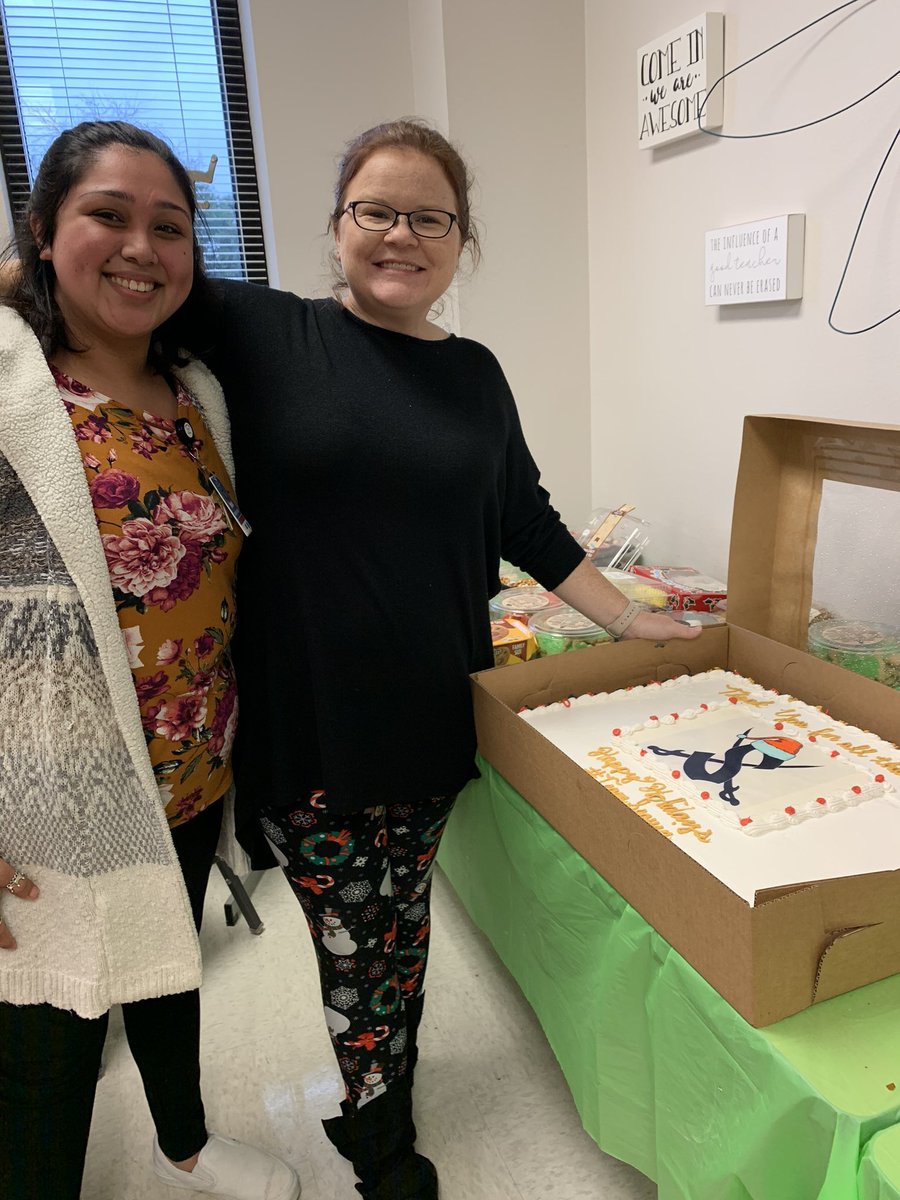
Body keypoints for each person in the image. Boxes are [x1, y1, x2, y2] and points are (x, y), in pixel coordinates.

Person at [206, 118, 701, 1200]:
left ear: (462, 240)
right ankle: (383, 1147)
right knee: (353, 942)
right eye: (375, 211)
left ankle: (380, 1093)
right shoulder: (266, 331)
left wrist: (627, 621)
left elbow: (526, 517)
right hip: (312, 717)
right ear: (336, 225)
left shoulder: (474, 373)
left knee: (402, 924)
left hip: (432, 707)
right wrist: (36, 262)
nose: (401, 235)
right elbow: (113, 280)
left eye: (429, 218)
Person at [0, 121, 299, 1200]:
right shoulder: (12, 390)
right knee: (50, 1046)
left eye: (169, 227)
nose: (141, 248)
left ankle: (186, 1143)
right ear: (43, 231)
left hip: (189, 771)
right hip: (46, 800)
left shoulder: (197, 392)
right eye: (108, 216)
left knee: (171, 968)